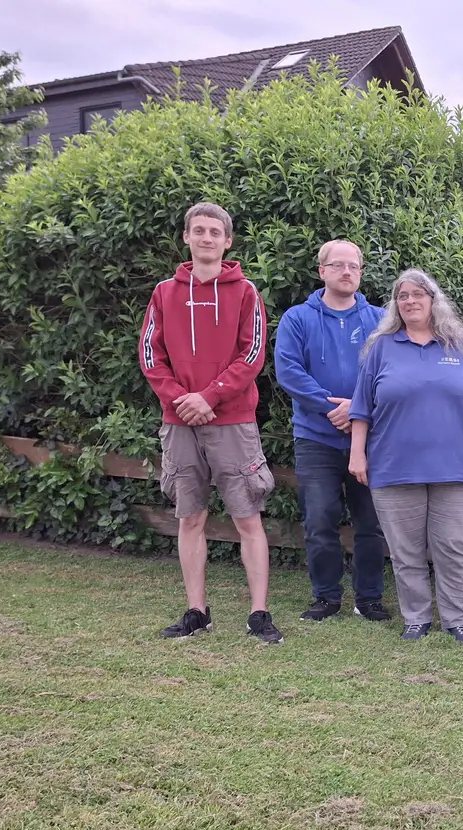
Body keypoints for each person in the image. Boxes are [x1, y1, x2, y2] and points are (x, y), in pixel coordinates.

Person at [141, 202, 281, 644]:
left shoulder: (246, 292)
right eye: (198, 230)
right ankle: (196, 612)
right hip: (179, 422)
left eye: (214, 232)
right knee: (190, 519)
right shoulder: (164, 292)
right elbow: (150, 355)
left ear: (227, 241)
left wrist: (209, 396)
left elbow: (253, 355)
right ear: (186, 237)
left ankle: (258, 614)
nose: (206, 237)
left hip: (233, 422)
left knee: (248, 518)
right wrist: (182, 399)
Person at [348, 269, 463, 643]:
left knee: (454, 547)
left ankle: (455, 619)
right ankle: (416, 618)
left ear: (433, 300)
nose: (410, 301)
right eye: (403, 296)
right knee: (406, 550)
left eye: (418, 294)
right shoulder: (381, 347)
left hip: (457, 468)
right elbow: (361, 408)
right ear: (396, 305)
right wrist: (357, 455)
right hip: (393, 467)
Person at [272, 239, 389, 623]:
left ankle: (369, 598)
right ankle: (326, 597)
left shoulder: (380, 320)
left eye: (353, 266)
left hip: (371, 438)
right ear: (321, 271)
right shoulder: (297, 319)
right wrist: (329, 406)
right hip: (315, 437)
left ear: (361, 272)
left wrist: (356, 409)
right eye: (337, 265)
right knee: (320, 518)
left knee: (371, 522)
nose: (346, 272)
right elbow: (289, 372)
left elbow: (392, 373)